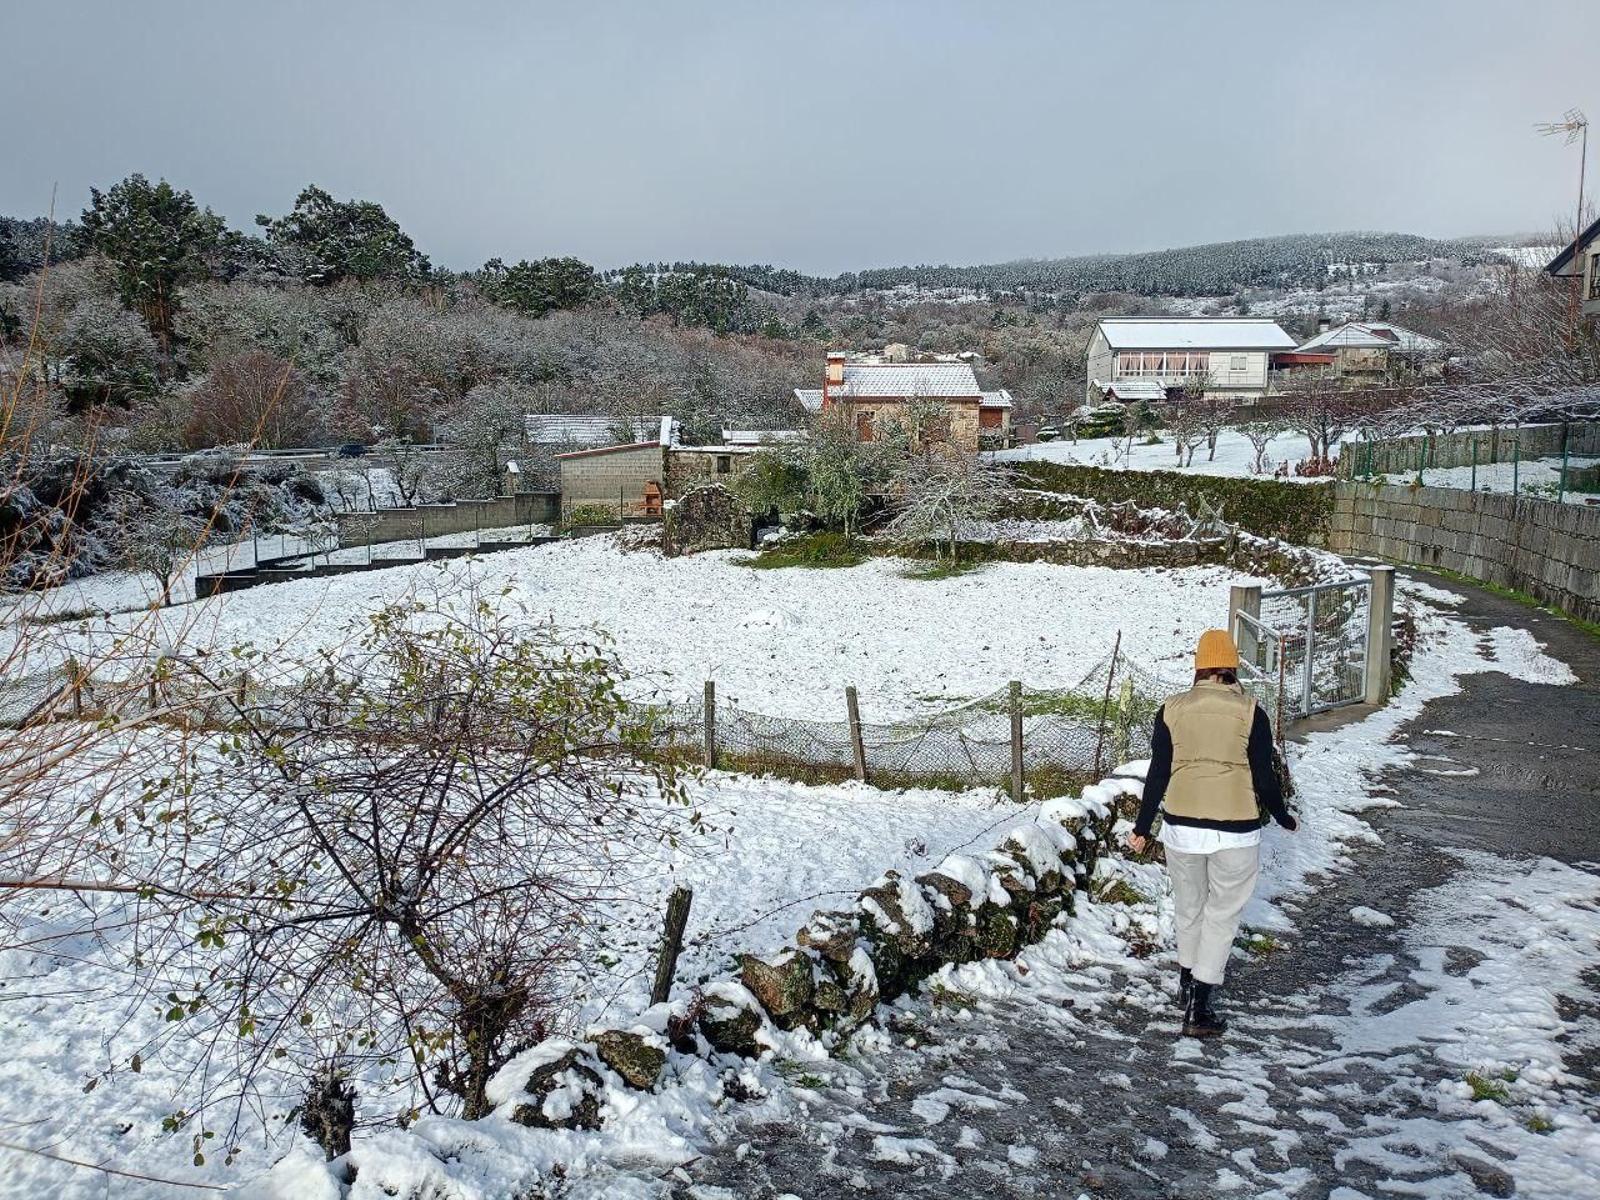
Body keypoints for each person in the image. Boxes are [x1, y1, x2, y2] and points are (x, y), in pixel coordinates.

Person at [1128, 629, 1297, 1039]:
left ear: (1199, 667)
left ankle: (1186, 983)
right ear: (1232, 666)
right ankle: (1200, 1005)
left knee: (1189, 907)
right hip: (1235, 831)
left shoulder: (1171, 709)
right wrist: (1282, 815)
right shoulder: (1251, 711)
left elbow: (1158, 774)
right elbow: (1263, 775)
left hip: (1181, 826)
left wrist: (1142, 826)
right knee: (1221, 914)